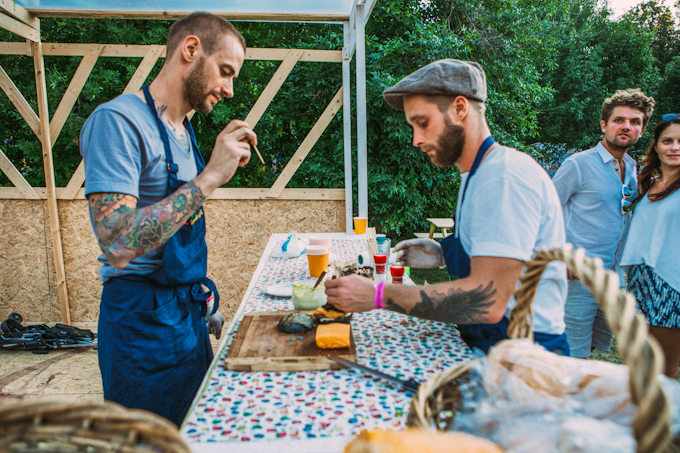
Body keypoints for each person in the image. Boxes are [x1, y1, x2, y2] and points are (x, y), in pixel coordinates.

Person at [79, 13, 255, 425]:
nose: (229, 89)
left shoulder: (183, 130)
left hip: (186, 318)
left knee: (191, 434)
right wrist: (210, 176)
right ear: (190, 50)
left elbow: (178, 223)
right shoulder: (119, 122)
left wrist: (199, 296)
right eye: (225, 72)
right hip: (140, 325)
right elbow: (118, 244)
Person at [325, 59, 569, 355]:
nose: (416, 139)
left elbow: (485, 301)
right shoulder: (476, 175)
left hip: (528, 363)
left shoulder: (503, 177)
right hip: (494, 347)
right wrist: (444, 253)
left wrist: (378, 295)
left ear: (460, 108)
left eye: (423, 123)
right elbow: (502, 257)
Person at [551, 89, 655, 358]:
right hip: (577, 276)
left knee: (593, 344)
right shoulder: (578, 164)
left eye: (635, 122)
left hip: (613, 278)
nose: (626, 127)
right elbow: (543, 211)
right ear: (604, 125)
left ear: (642, 131)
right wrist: (560, 257)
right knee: (568, 351)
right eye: (619, 120)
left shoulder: (635, 170)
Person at [620, 114, 680, 379]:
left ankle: (665, 421)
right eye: (667, 141)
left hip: (673, 284)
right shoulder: (646, 183)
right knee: (639, 364)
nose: (675, 147)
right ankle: (639, 418)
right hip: (641, 281)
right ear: (656, 146)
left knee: (663, 369)